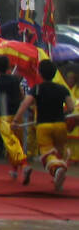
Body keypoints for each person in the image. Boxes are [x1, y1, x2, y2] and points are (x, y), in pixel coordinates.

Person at [11, 59, 74, 191]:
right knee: (59, 153)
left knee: (47, 155)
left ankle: (57, 171)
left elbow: (25, 104)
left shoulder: (37, 89)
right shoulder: (62, 89)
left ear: (40, 73)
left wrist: (16, 120)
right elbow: (71, 107)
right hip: (60, 125)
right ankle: (59, 181)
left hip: (43, 126)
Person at [0, 55, 28, 180]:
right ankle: (15, 170)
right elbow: (22, 95)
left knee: (11, 143)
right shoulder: (16, 80)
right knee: (16, 142)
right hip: (17, 115)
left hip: (4, 115)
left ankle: (24, 165)